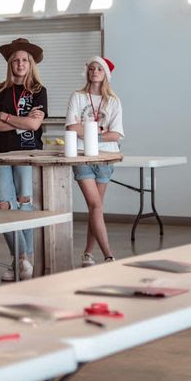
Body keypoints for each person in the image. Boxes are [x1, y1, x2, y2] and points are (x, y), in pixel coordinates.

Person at [0, 38, 47, 282]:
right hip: (1, 154)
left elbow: (34, 125)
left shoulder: (39, 91)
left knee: (24, 204)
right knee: (3, 206)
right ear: (10, 64)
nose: (20, 64)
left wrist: (6, 117)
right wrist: (20, 121)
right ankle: (22, 259)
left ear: (31, 64)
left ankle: (19, 261)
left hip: (27, 154)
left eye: (24, 60)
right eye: (16, 61)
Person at [65, 56, 124, 267]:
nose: (95, 71)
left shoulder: (113, 101)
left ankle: (88, 253)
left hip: (106, 157)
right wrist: (100, 131)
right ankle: (108, 255)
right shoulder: (78, 97)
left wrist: (88, 131)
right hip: (82, 155)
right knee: (95, 204)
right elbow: (71, 127)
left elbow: (116, 135)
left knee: (95, 208)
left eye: (99, 68)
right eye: (91, 68)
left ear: (105, 74)